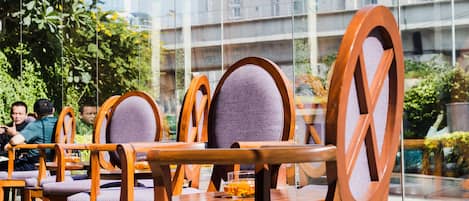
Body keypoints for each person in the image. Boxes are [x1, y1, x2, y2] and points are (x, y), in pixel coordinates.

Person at [0, 99, 57, 171]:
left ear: (35, 114)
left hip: (34, 163)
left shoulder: (37, 124)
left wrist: (11, 137)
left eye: (20, 114)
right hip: (54, 161)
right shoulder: (59, 123)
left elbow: (14, 141)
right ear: (53, 110)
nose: (17, 116)